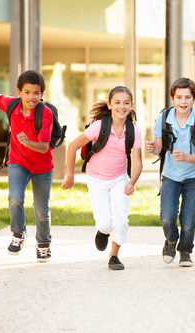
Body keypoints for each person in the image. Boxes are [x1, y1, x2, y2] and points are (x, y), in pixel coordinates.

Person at [0, 70, 54, 262]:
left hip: (42, 167)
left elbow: (44, 147)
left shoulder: (45, 113)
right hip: (18, 162)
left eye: (36, 93)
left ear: (42, 94)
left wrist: (28, 143)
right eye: (27, 92)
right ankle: (19, 234)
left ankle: (43, 243)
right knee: (15, 198)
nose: (31, 97)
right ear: (19, 92)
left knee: (41, 209)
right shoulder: (11, 105)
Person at [62, 86, 143, 270]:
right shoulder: (99, 126)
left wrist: (131, 182)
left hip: (120, 179)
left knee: (121, 219)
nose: (121, 106)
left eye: (126, 103)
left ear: (131, 105)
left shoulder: (134, 131)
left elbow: (138, 163)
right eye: (117, 102)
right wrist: (70, 175)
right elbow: (73, 147)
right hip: (97, 179)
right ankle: (103, 231)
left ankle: (114, 256)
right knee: (105, 223)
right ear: (109, 105)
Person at [145, 77, 195, 268]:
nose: (183, 101)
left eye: (187, 97)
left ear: (194, 99)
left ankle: (186, 251)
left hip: (194, 176)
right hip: (171, 175)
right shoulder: (163, 118)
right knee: (167, 216)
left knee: (188, 221)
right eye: (179, 97)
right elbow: (158, 147)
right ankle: (171, 241)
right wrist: (153, 148)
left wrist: (185, 157)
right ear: (172, 98)